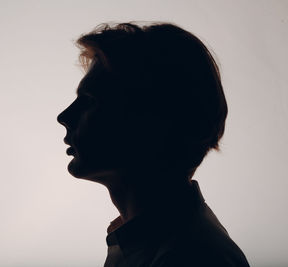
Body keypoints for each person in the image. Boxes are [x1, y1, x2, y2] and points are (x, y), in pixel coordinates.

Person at [57, 22, 250, 267]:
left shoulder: (192, 257)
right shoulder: (143, 244)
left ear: (150, 120)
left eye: (89, 101)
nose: (64, 117)